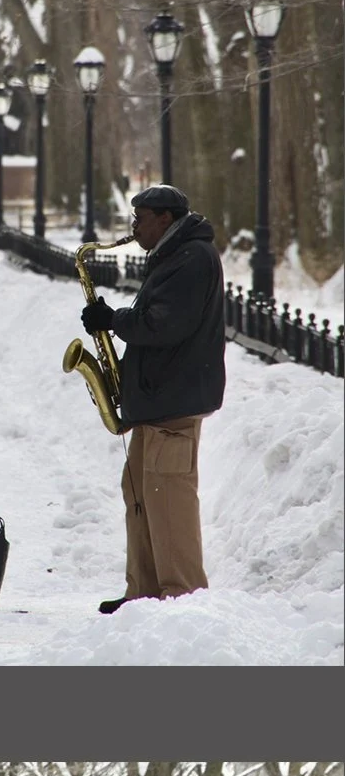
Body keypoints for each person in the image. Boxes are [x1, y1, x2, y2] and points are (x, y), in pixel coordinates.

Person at [81, 184, 225, 610]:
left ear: (165, 218)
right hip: (159, 399)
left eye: (140, 219)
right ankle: (142, 594)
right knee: (141, 496)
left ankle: (181, 597)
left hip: (175, 401)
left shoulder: (192, 258)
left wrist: (114, 319)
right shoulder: (174, 254)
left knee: (169, 501)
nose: (134, 227)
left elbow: (164, 324)